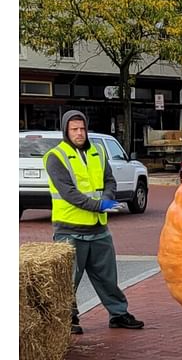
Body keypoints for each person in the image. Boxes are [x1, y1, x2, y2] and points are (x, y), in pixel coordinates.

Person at [44, 110, 144, 334]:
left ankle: (118, 314)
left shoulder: (98, 151)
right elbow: (69, 193)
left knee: (108, 278)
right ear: (65, 131)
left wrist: (107, 199)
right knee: (68, 282)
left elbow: (109, 180)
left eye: (82, 128)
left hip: (98, 228)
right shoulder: (55, 157)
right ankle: (69, 319)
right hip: (69, 230)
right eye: (74, 129)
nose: (80, 133)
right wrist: (99, 205)